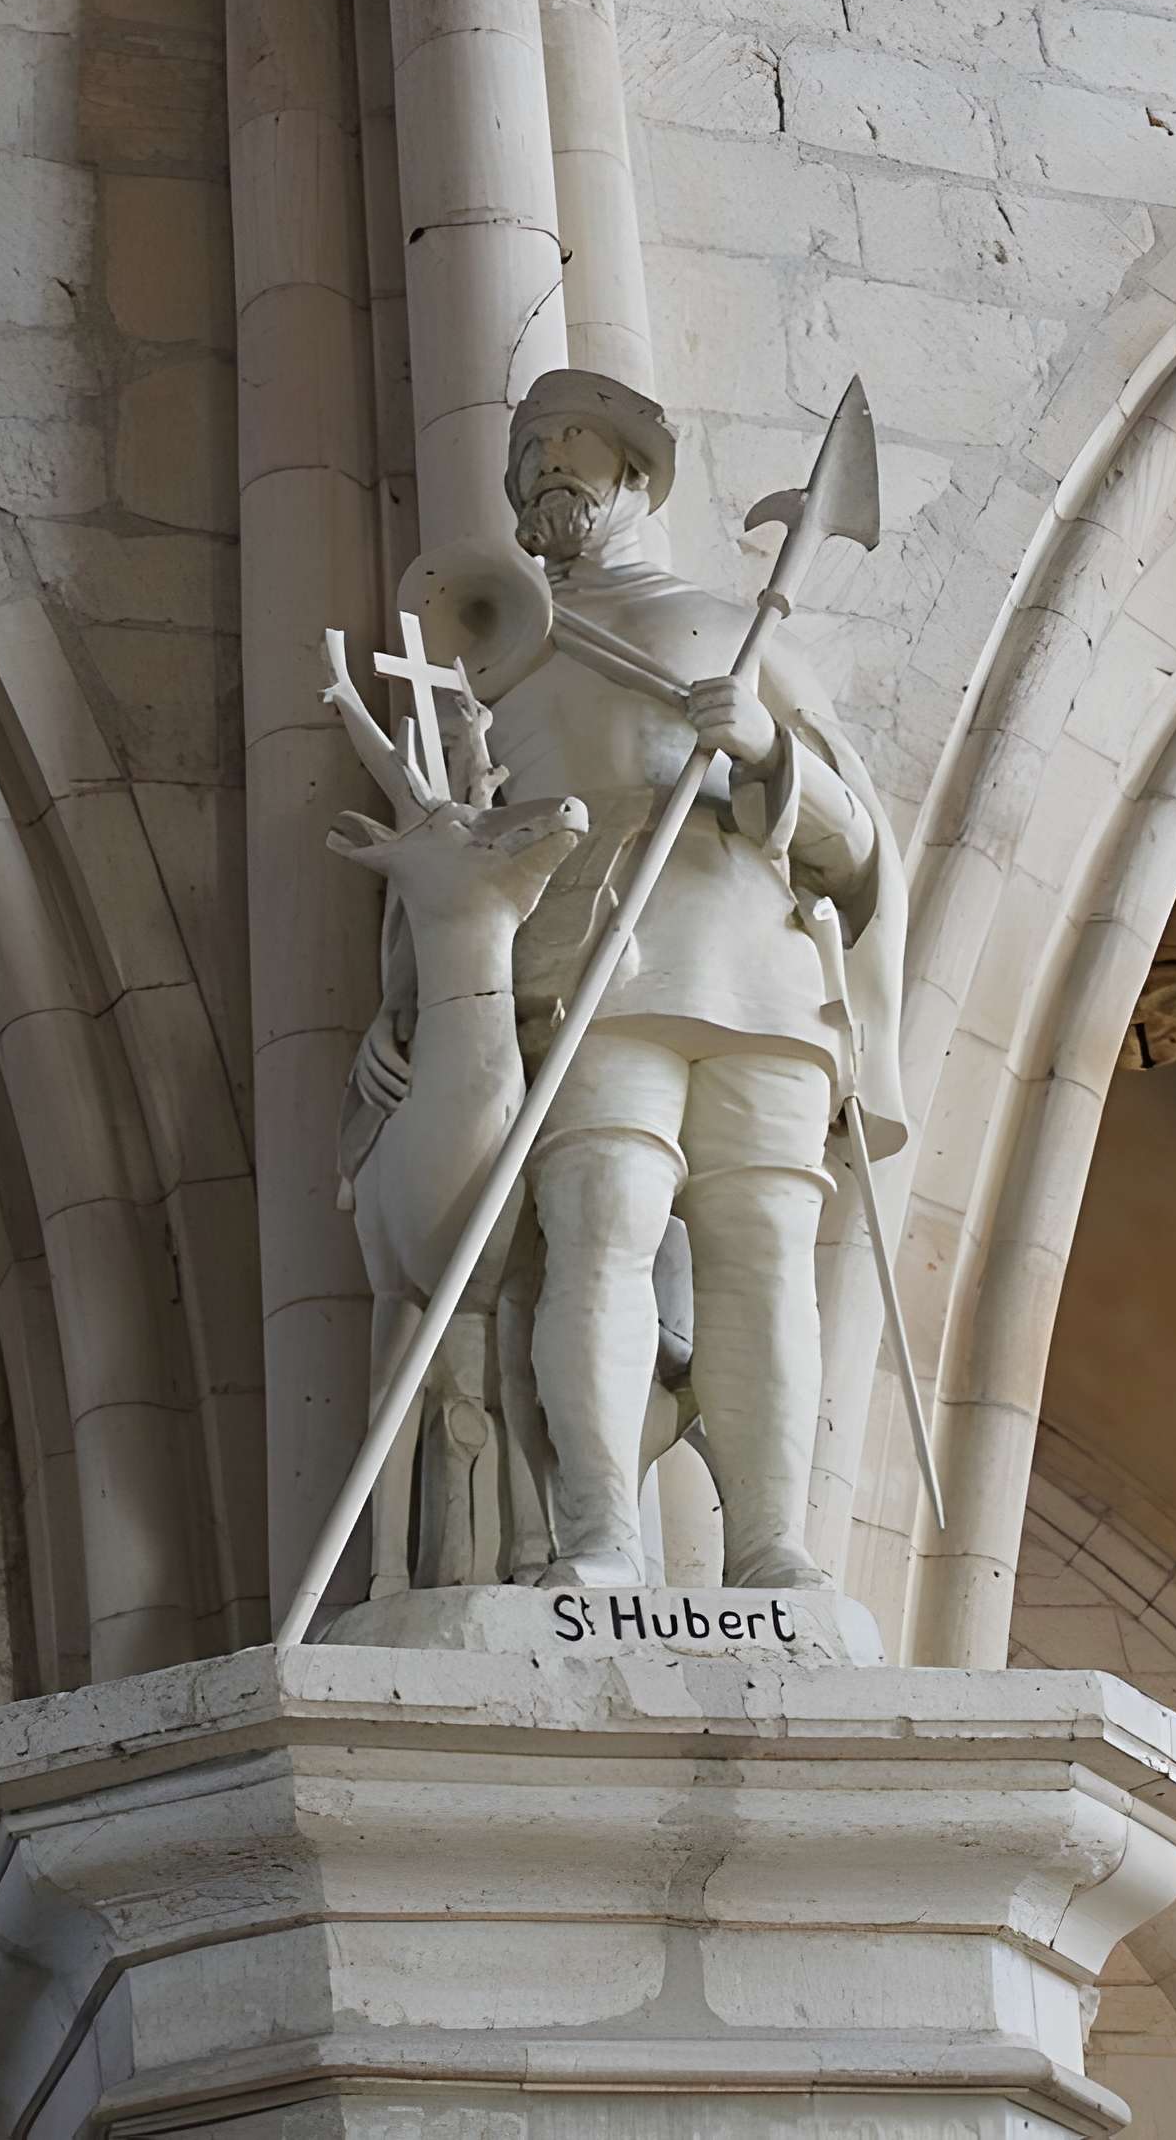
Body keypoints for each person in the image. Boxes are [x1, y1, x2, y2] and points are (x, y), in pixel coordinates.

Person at [356, 369, 907, 1590]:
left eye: (574, 444)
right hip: (583, 970)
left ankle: (770, 1545)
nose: (548, 463)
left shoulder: (728, 626)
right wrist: (400, 1011)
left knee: (760, 1246)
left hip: (756, 976)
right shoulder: (492, 668)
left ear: (632, 475)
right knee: (598, 1229)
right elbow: (448, 846)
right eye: (531, 449)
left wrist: (764, 749)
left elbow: (858, 846)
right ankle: (602, 1534)